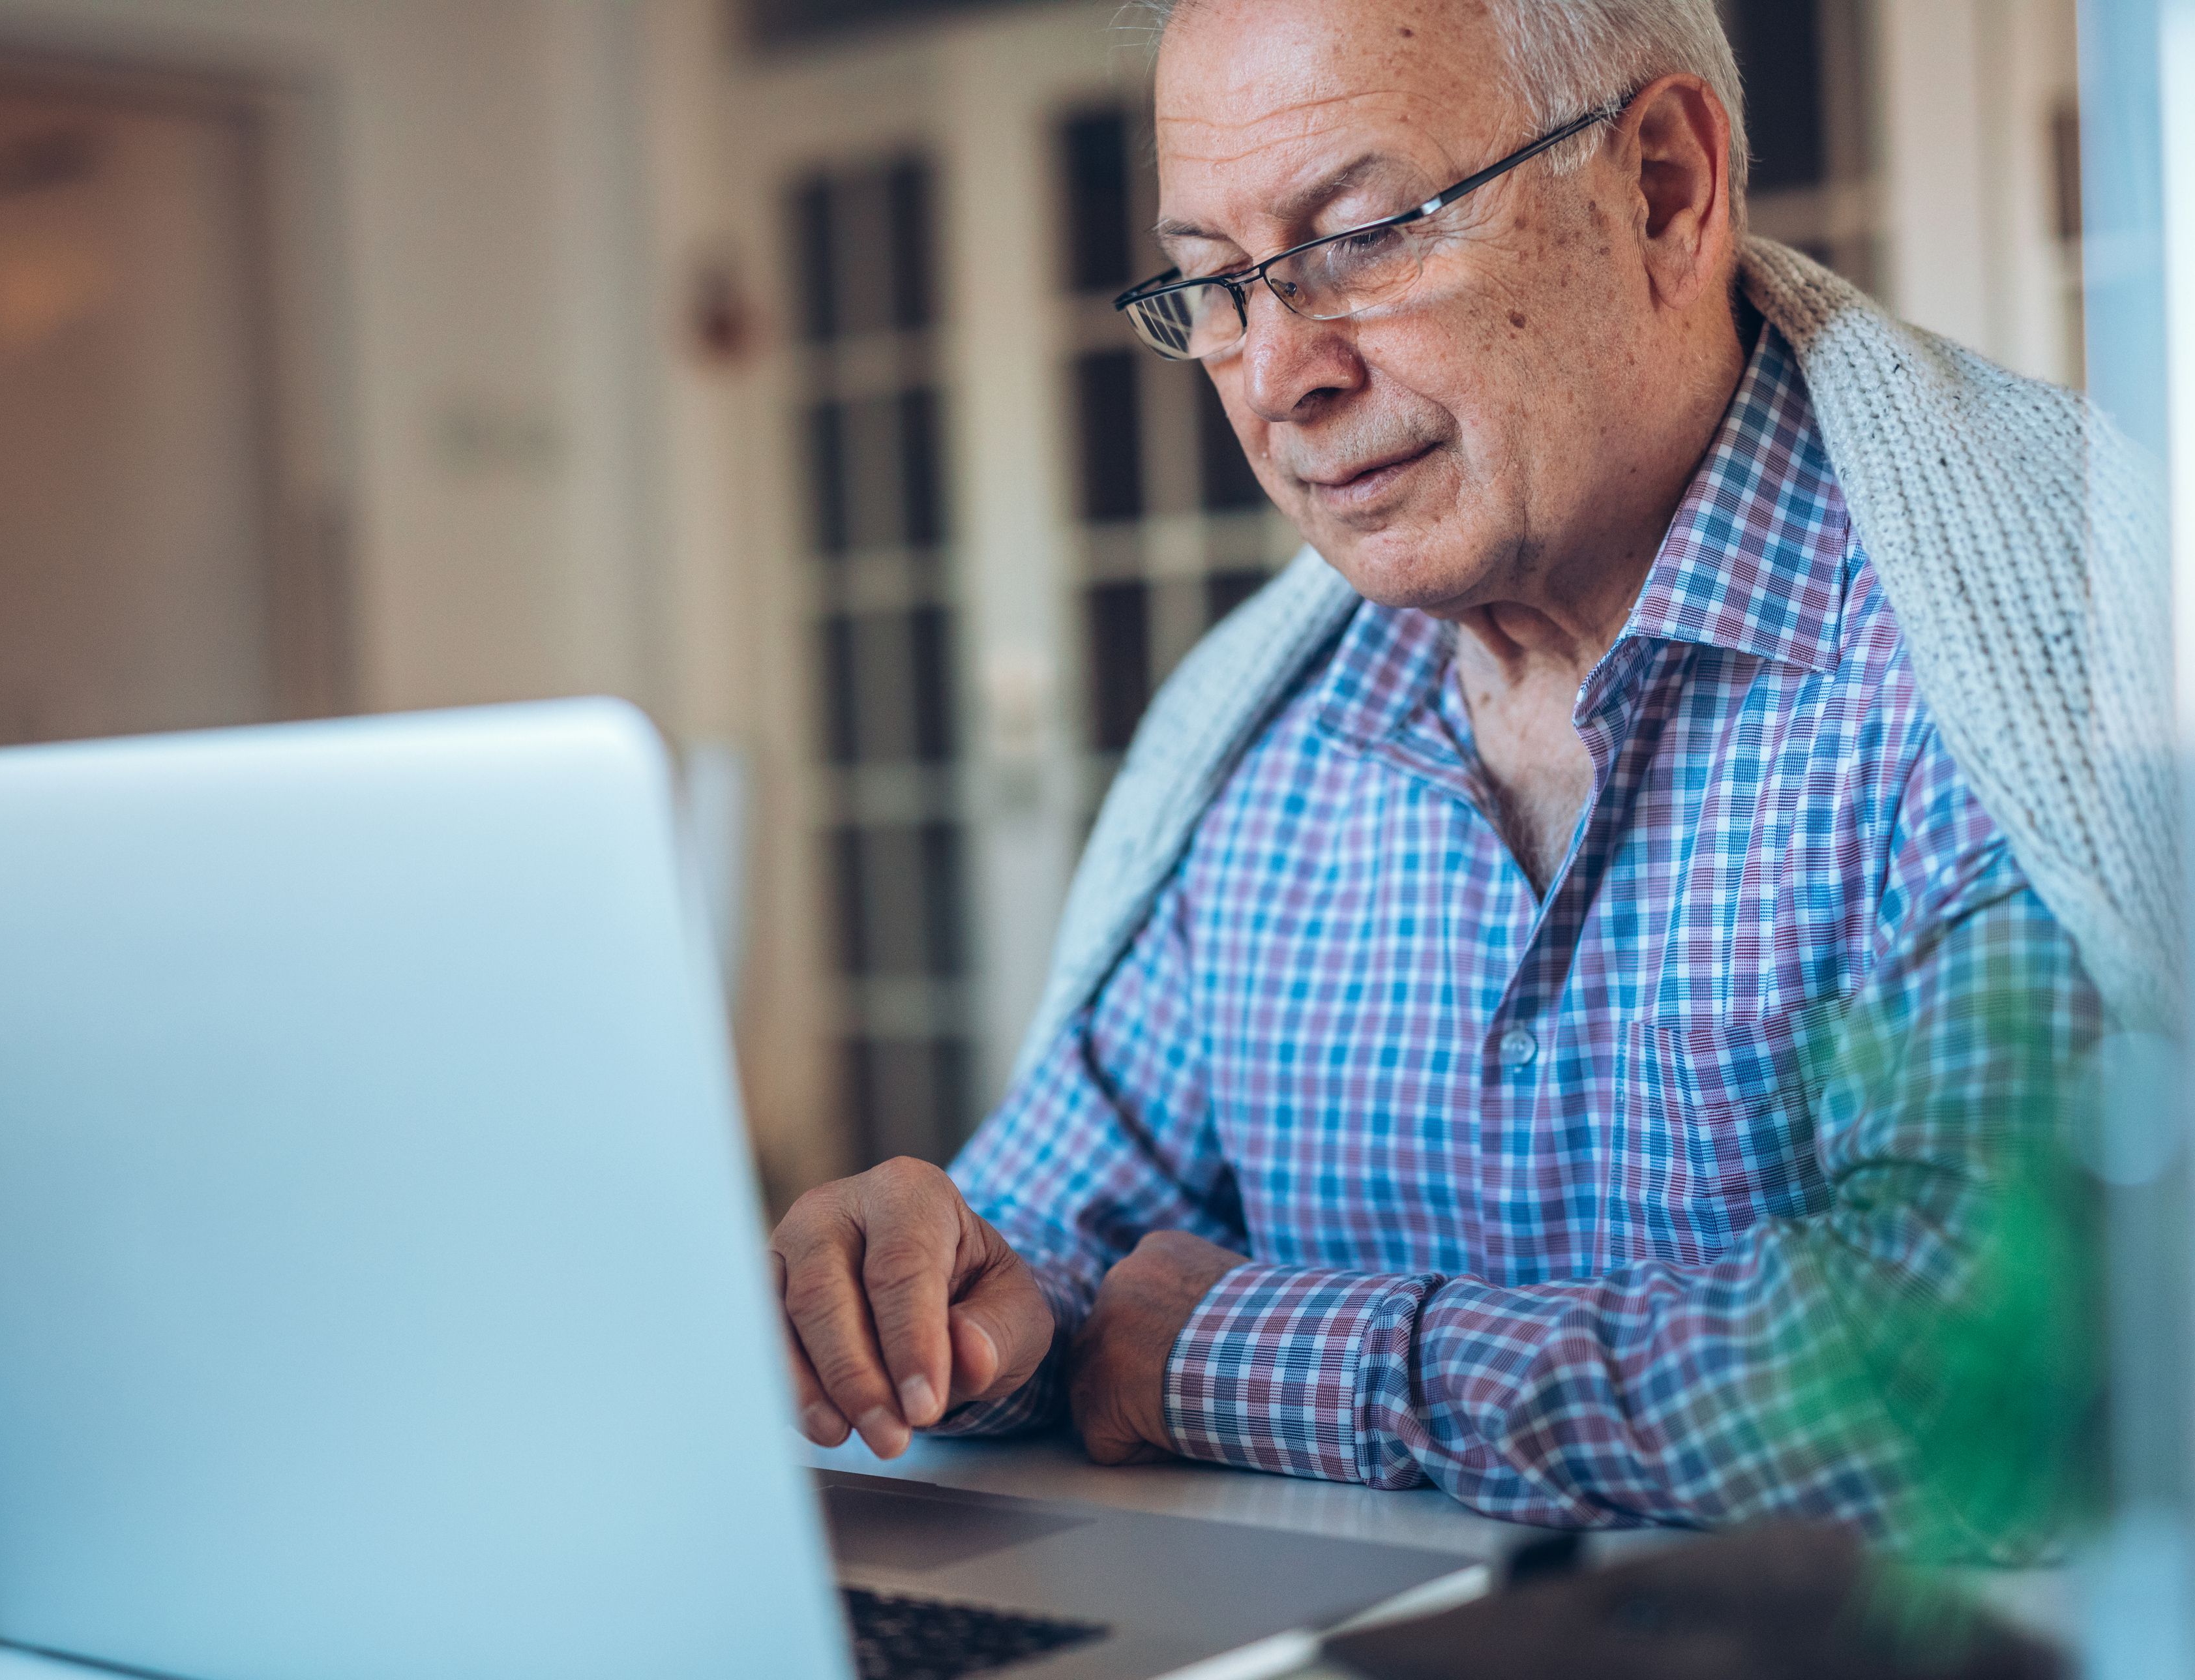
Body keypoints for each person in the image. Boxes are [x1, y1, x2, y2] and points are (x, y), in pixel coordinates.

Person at [768, 0, 2173, 1537]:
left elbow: (1978, 1360)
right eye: (1214, 285)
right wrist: (938, 1294)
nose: (1277, 376)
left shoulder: (2042, 654)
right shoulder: (1262, 731)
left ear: (1663, 189)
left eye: (1361, 237)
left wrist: (1241, 1356)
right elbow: (1068, 1228)